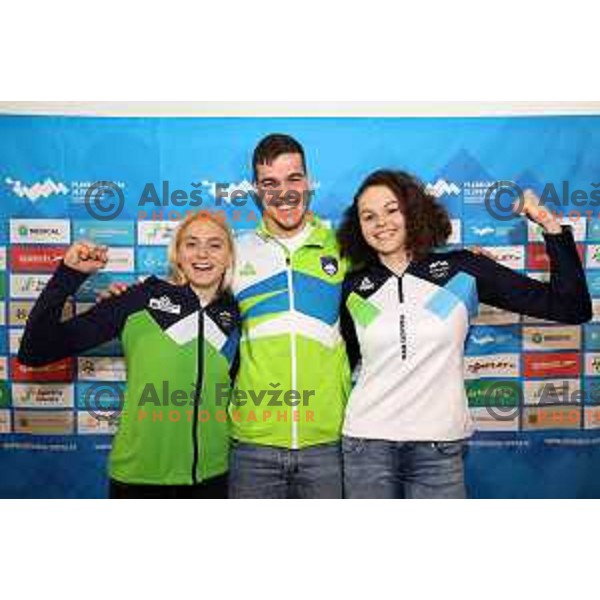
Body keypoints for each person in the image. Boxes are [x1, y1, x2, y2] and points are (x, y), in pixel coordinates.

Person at [337, 170, 592, 499]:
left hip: (438, 448)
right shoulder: (353, 287)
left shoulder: (463, 270)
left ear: (412, 211)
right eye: (368, 216)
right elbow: (348, 357)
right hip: (365, 445)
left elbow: (571, 307)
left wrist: (549, 224)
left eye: (391, 209)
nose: (380, 223)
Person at [18, 212, 240, 499]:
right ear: (177, 254)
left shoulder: (236, 313)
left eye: (215, 245)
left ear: (229, 255)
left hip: (213, 477)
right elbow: (36, 350)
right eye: (191, 243)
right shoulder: (138, 299)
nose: (202, 254)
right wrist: (68, 275)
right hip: (139, 477)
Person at [228, 134, 350, 498]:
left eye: (293, 179)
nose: (284, 192)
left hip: (328, 439)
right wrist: (122, 298)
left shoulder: (345, 247)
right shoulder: (235, 251)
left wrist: (464, 265)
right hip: (253, 443)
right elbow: (185, 298)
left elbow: (401, 275)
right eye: (270, 183)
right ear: (256, 189)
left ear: (309, 181)